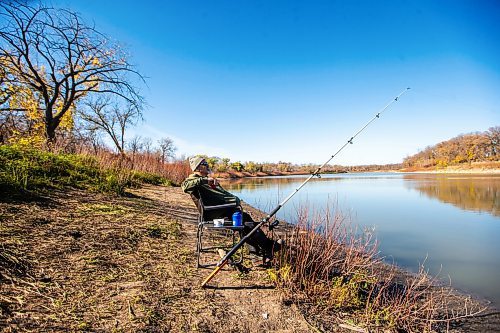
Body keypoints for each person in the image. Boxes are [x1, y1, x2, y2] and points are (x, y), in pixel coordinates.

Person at [181, 156, 280, 262]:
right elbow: (184, 186)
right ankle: (266, 248)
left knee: (245, 219)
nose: (208, 165)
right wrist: (205, 180)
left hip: (221, 212)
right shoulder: (194, 179)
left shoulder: (203, 180)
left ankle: (257, 252)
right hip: (215, 217)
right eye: (205, 164)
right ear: (198, 168)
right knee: (245, 223)